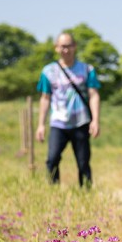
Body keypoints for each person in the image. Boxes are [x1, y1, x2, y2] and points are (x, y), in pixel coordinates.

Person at [35, 32, 101, 187]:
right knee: (52, 159)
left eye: (69, 46)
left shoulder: (87, 69)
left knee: (83, 162)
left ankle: (86, 194)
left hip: (81, 121)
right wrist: (41, 124)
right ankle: (53, 191)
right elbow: (45, 98)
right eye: (63, 46)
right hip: (58, 122)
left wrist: (96, 120)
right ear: (57, 48)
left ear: (75, 47)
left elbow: (94, 95)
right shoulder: (48, 71)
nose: (66, 50)